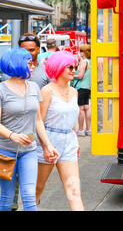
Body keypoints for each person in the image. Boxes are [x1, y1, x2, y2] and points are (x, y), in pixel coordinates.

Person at [0, 48, 59, 211]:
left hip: (29, 150)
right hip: (5, 152)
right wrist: (12, 136)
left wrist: (48, 146)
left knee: (29, 197)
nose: (33, 66)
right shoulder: (2, 90)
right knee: (6, 198)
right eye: (29, 63)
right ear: (18, 65)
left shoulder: (33, 87)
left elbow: (38, 121)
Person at [35, 51, 84, 211]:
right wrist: (46, 146)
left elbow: (73, 120)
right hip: (48, 141)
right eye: (69, 67)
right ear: (58, 67)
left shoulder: (74, 92)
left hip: (68, 141)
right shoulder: (47, 91)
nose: (73, 70)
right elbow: (39, 121)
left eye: (75, 67)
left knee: (74, 191)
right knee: (37, 189)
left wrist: (75, 140)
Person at [72, 45, 91, 136]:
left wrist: (72, 76)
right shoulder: (91, 61)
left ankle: (80, 130)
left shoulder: (84, 62)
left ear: (84, 52)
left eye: (81, 51)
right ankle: (88, 129)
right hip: (88, 87)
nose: (80, 53)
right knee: (87, 108)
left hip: (81, 87)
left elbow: (80, 76)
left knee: (81, 109)